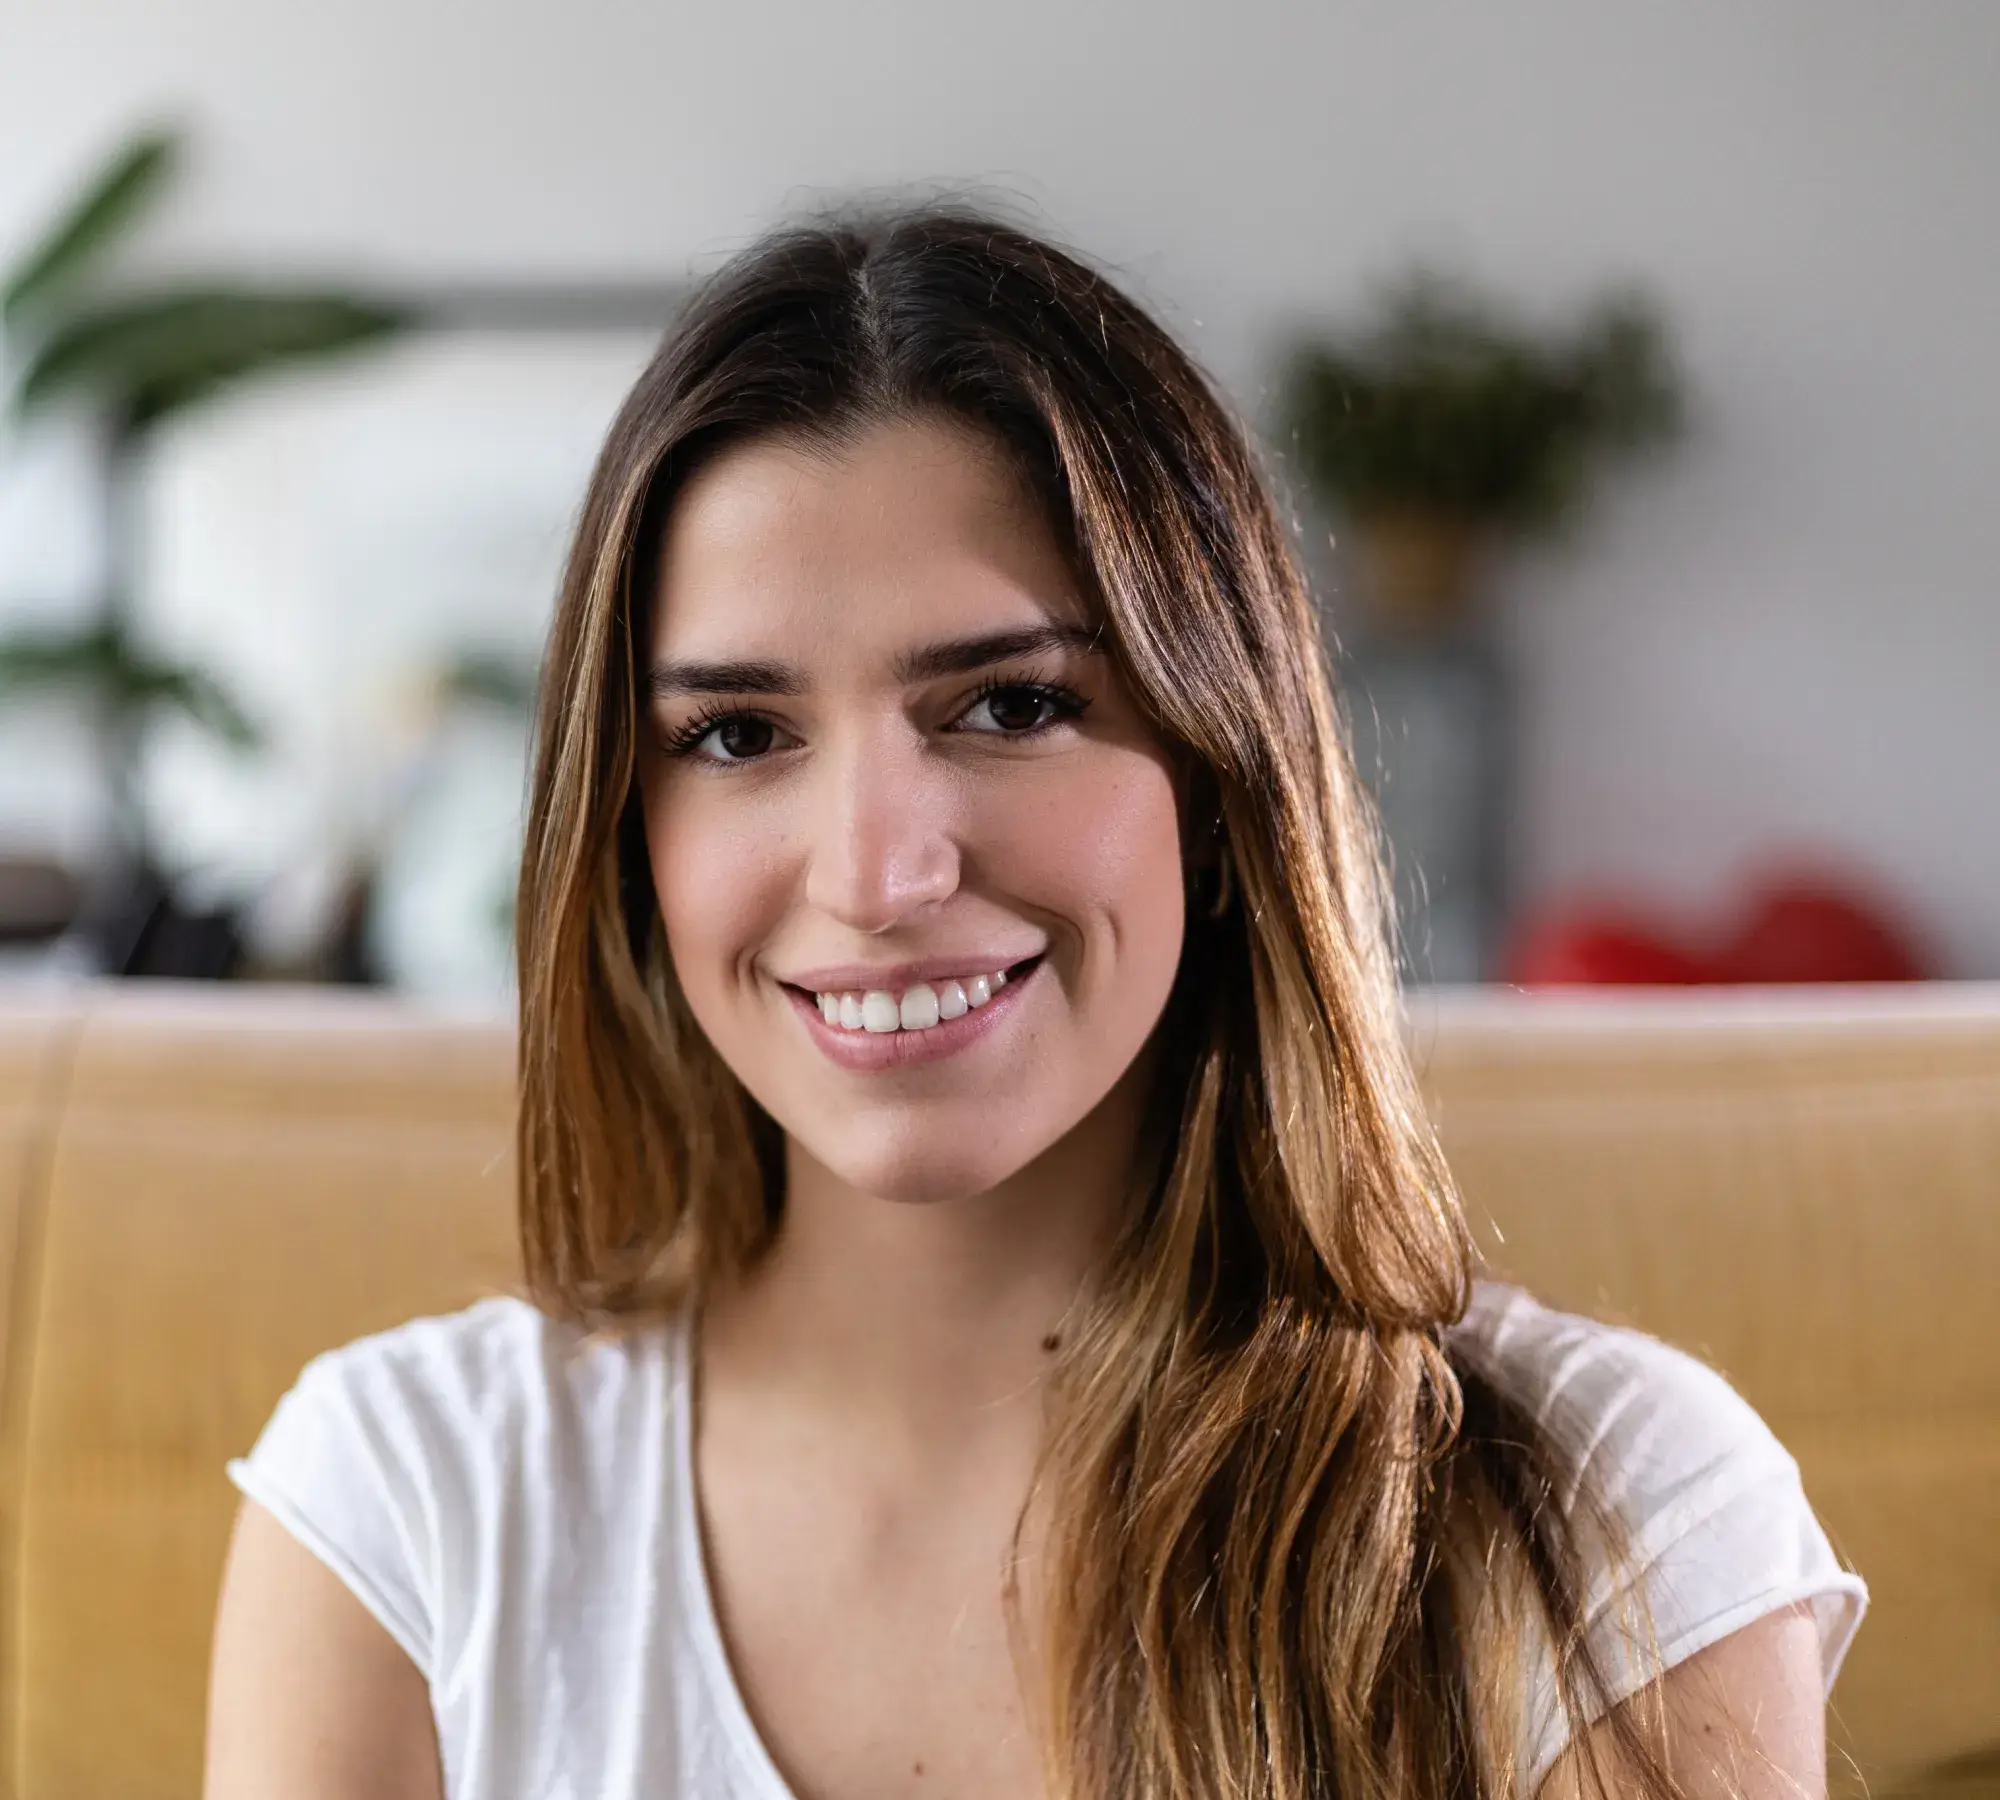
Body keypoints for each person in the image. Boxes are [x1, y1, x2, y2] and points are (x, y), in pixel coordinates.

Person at [204, 210, 1865, 1800]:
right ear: (626, 837)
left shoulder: (1609, 1517)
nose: (877, 874)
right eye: (737, 735)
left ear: (1218, 779)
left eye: (1009, 705)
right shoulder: (409, 1511)